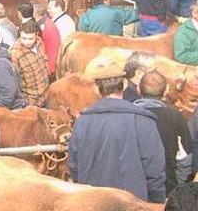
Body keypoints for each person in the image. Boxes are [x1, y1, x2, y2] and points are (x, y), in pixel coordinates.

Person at [68, 57, 165, 202]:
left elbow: (74, 167)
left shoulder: (82, 122)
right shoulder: (143, 120)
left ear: (96, 88)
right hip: (133, 208)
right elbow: (155, 169)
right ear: (125, 84)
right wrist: (156, 202)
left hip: (92, 206)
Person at [133, 71, 192, 195]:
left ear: (138, 89)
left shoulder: (127, 115)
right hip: (166, 190)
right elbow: (185, 158)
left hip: (132, 191)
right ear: (165, 92)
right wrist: (177, 185)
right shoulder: (175, 116)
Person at [10, 21, 49, 107]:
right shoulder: (15, 53)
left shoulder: (39, 42)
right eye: (24, 38)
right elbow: (15, 81)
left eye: (30, 39)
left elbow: (44, 61)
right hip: (31, 101)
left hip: (46, 95)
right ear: (20, 34)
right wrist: (24, 102)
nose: (27, 42)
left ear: (36, 35)